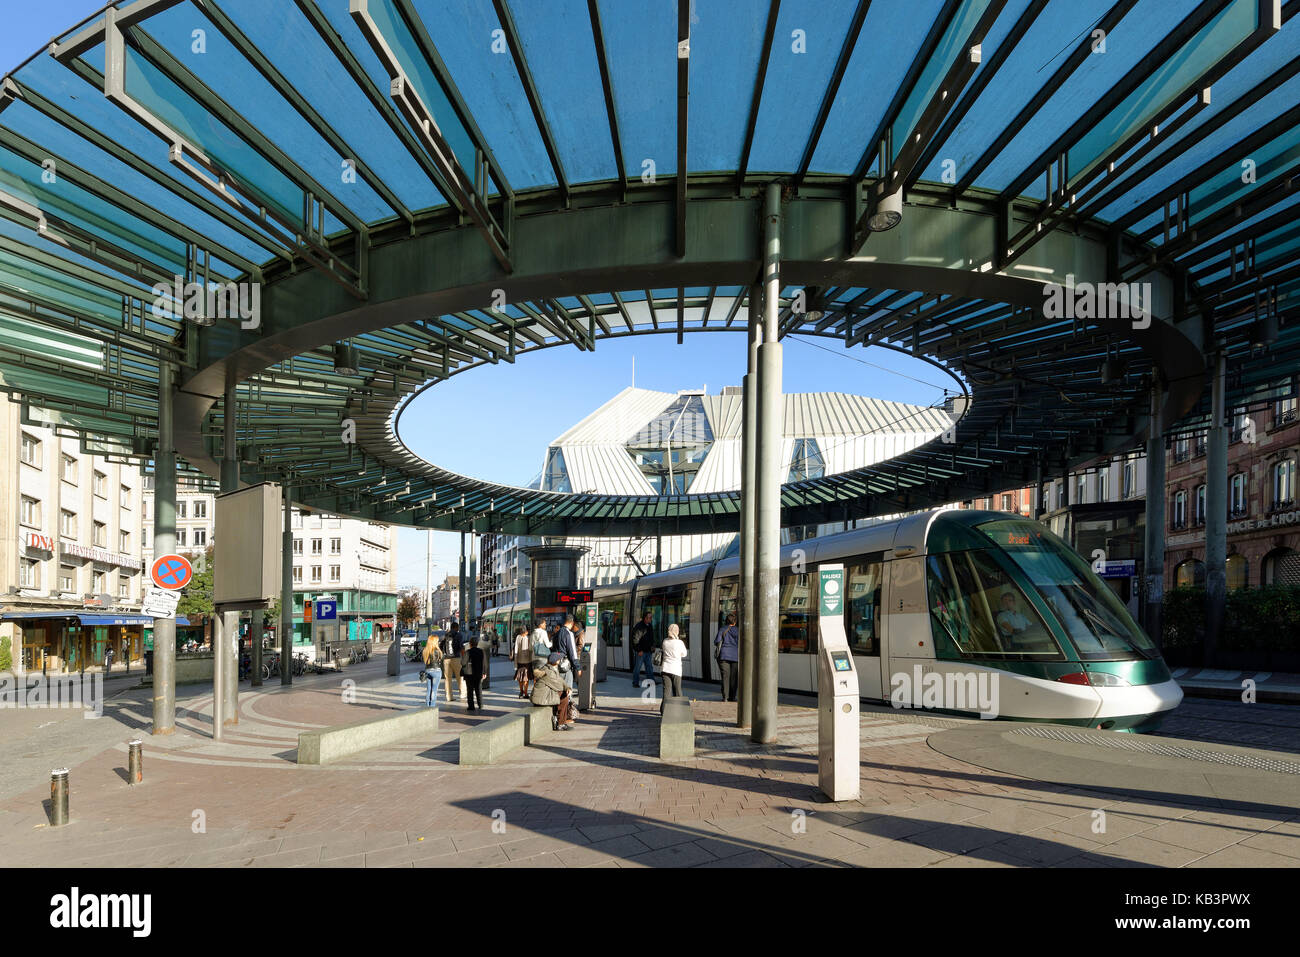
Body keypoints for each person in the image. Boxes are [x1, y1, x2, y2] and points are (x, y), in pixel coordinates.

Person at [530, 653, 573, 731]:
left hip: (545, 694)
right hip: (541, 698)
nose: (560, 660)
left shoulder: (550, 668)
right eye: (559, 659)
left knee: (563, 694)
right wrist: (567, 689)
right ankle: (561, 724)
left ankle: (560, 721)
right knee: (564, 698)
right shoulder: (548, 672)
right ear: (555, 661)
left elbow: (560, 681)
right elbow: (558, 686)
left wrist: (567, 688)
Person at [659, 623, 688, 714]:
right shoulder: (679, 643)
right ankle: (680, 711)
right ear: (677, 632)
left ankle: (663, 711)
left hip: (665, 669)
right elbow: (684, 654)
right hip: (675, 670)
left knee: (666, 692)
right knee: (677, 691)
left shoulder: (665, 641)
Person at [713, 612, 740, 702]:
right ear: (735, 622)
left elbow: (717, 641)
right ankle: (732, 697)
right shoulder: (738, 630)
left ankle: (725, 697)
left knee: (725, 676)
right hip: (735, 656)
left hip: (723, 656)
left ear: (726, 621)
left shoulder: (722, 629)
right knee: (734, 677)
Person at [554, 615, 580, 692]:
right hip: (566, 666)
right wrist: (578, 667)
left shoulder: (557, 633)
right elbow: (572, 652)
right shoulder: (569, 633)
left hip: (557, 664)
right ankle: (567, 703)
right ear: (572, 622)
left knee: (559, 690)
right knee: (567, 690)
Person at [630, 611, 655, 687]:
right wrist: (638, 650)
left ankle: (650, 682)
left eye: (651, 617)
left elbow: (651, 637)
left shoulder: (650, 625)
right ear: (645, 618)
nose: (651, 619)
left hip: (648, 651)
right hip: (641, 651)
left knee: (649, 668)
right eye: (649, 617)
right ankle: (635, 683)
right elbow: (635, 639)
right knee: (637, 668)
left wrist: (653, 646)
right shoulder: (639, 626)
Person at [442, 622, 464, 702]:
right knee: (460, 677)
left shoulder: (446, 635)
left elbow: (442, 646)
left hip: (446, 659)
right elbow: (461, 646)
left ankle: (449, 696)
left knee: (447, 679)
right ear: (456, 627)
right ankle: (462, 694)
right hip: (456, 658)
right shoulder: (459, 635)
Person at [421, 635, 444, 707]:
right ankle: (432, 706)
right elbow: (441, 660)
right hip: (436, 671)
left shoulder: (425, 650)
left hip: (428, 670)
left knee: (429, 690)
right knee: (434, 690)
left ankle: (427, 705)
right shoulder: (437, 651)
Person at [511, 625, 533, 697]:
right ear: (526, 631)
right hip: (527, 662)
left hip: (519, 661)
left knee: (520, 677)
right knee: (526, 678)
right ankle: (526, 693)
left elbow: (516, 650)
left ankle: (521, 692)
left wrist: (515, 661)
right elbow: (531, 649)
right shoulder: (528, 637)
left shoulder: (518, 637)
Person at [464, 636, 485, 712]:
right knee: (478, 689)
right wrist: (484, 672)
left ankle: (471, 706)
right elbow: (484, 663)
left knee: (470, 690)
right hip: (478, 673)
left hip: (469, 674)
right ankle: (480, 704)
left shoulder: (467, 652)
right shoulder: (481, 651)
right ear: (477, 643)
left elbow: (463, 663)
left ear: (470, 644)